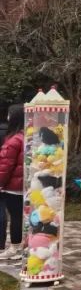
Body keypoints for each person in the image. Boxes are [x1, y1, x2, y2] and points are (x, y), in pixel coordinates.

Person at [0, 104, 24, 261]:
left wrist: (0, 183)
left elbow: (5, 166)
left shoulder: (14, 139)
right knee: (22, 217)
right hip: (25, 185)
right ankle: (21, 245)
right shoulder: (27, 137)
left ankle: (15, 247)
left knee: (15, 217)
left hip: (13, 187)